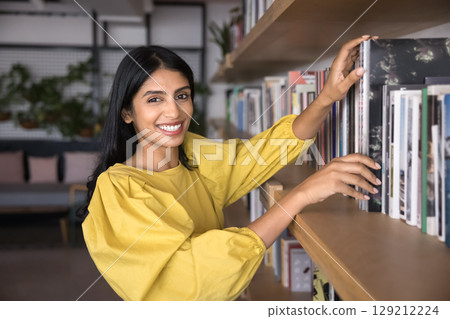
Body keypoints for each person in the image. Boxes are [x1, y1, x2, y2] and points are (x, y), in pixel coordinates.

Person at [81, 35, 381, 301]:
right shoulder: (117, 189)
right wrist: (301, 194)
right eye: (154, 99)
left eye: (182, 96)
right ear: (127, 112)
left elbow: (267, 151)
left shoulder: (194, 155)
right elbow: (189, 280)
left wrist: (328, 95)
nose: (173, 111)